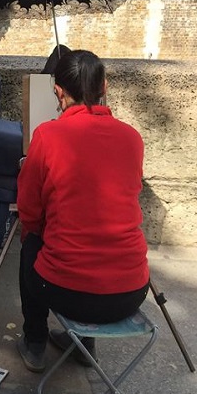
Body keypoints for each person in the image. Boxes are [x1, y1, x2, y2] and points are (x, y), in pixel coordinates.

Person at [16, 50, 150, 373]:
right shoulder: (133, 138)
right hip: (132, 292)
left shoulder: (47, 135)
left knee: (31, 244)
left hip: (66, 292)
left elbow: (29, 212)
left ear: (58, 92)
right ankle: (83, 344)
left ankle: (35, 341)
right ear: (104, 86)